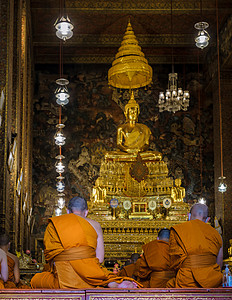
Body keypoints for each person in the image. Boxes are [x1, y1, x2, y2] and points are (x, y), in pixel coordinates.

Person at [31, 196, 140, 289]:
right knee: (99, 276)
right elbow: (100, 258)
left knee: (36, 280)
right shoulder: (95, 225)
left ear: (68, 211)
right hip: (91, 276)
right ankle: (108, 282)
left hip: (64, 277)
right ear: (86, 212)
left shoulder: (56, 224)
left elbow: (51, 258)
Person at [166, 203, 223, 288]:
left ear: (189, 215)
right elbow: (219, 264)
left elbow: (174, 262)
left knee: (169, 284)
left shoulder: (178, 230)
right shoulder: (216, 234)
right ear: (207, 219)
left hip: (186, 280)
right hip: (212, 280)